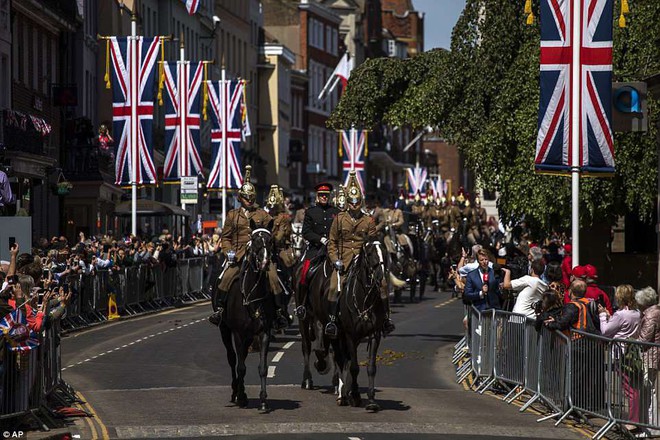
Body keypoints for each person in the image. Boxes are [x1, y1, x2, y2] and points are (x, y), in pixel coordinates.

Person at [208, 166, 287, 329]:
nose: (249, 200)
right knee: (225, 278)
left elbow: (271, 234)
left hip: (258, 255)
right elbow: (226, 237)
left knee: (274, 279)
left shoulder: (262, 215)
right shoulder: (232, 215)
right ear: (240, 197)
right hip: (237, 255)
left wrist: (265, 244)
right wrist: (229, 252)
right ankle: (220, 310)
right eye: (246, 197)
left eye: (251, 197)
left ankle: (279, 313)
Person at [326, 171, 395, 338]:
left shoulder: (368, 220)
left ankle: (386, 319)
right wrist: (335, 260)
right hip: (344, 260)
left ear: (361, 202)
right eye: (351, 202)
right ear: (348, 202)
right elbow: (332, 242)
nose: (354, 204)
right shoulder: (339, 219)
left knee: (383, 285)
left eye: (357, 202)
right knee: (334, 287)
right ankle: (332, 321)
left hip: (364, 259)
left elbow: (372, 242)